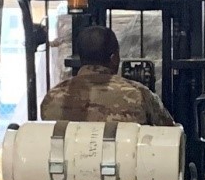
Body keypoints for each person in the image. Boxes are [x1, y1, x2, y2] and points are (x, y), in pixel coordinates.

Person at [40, 24, 174, 127]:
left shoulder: (52, 97)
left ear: (80, 58)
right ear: (114, 58)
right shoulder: (138, 94)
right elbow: (170, 134)